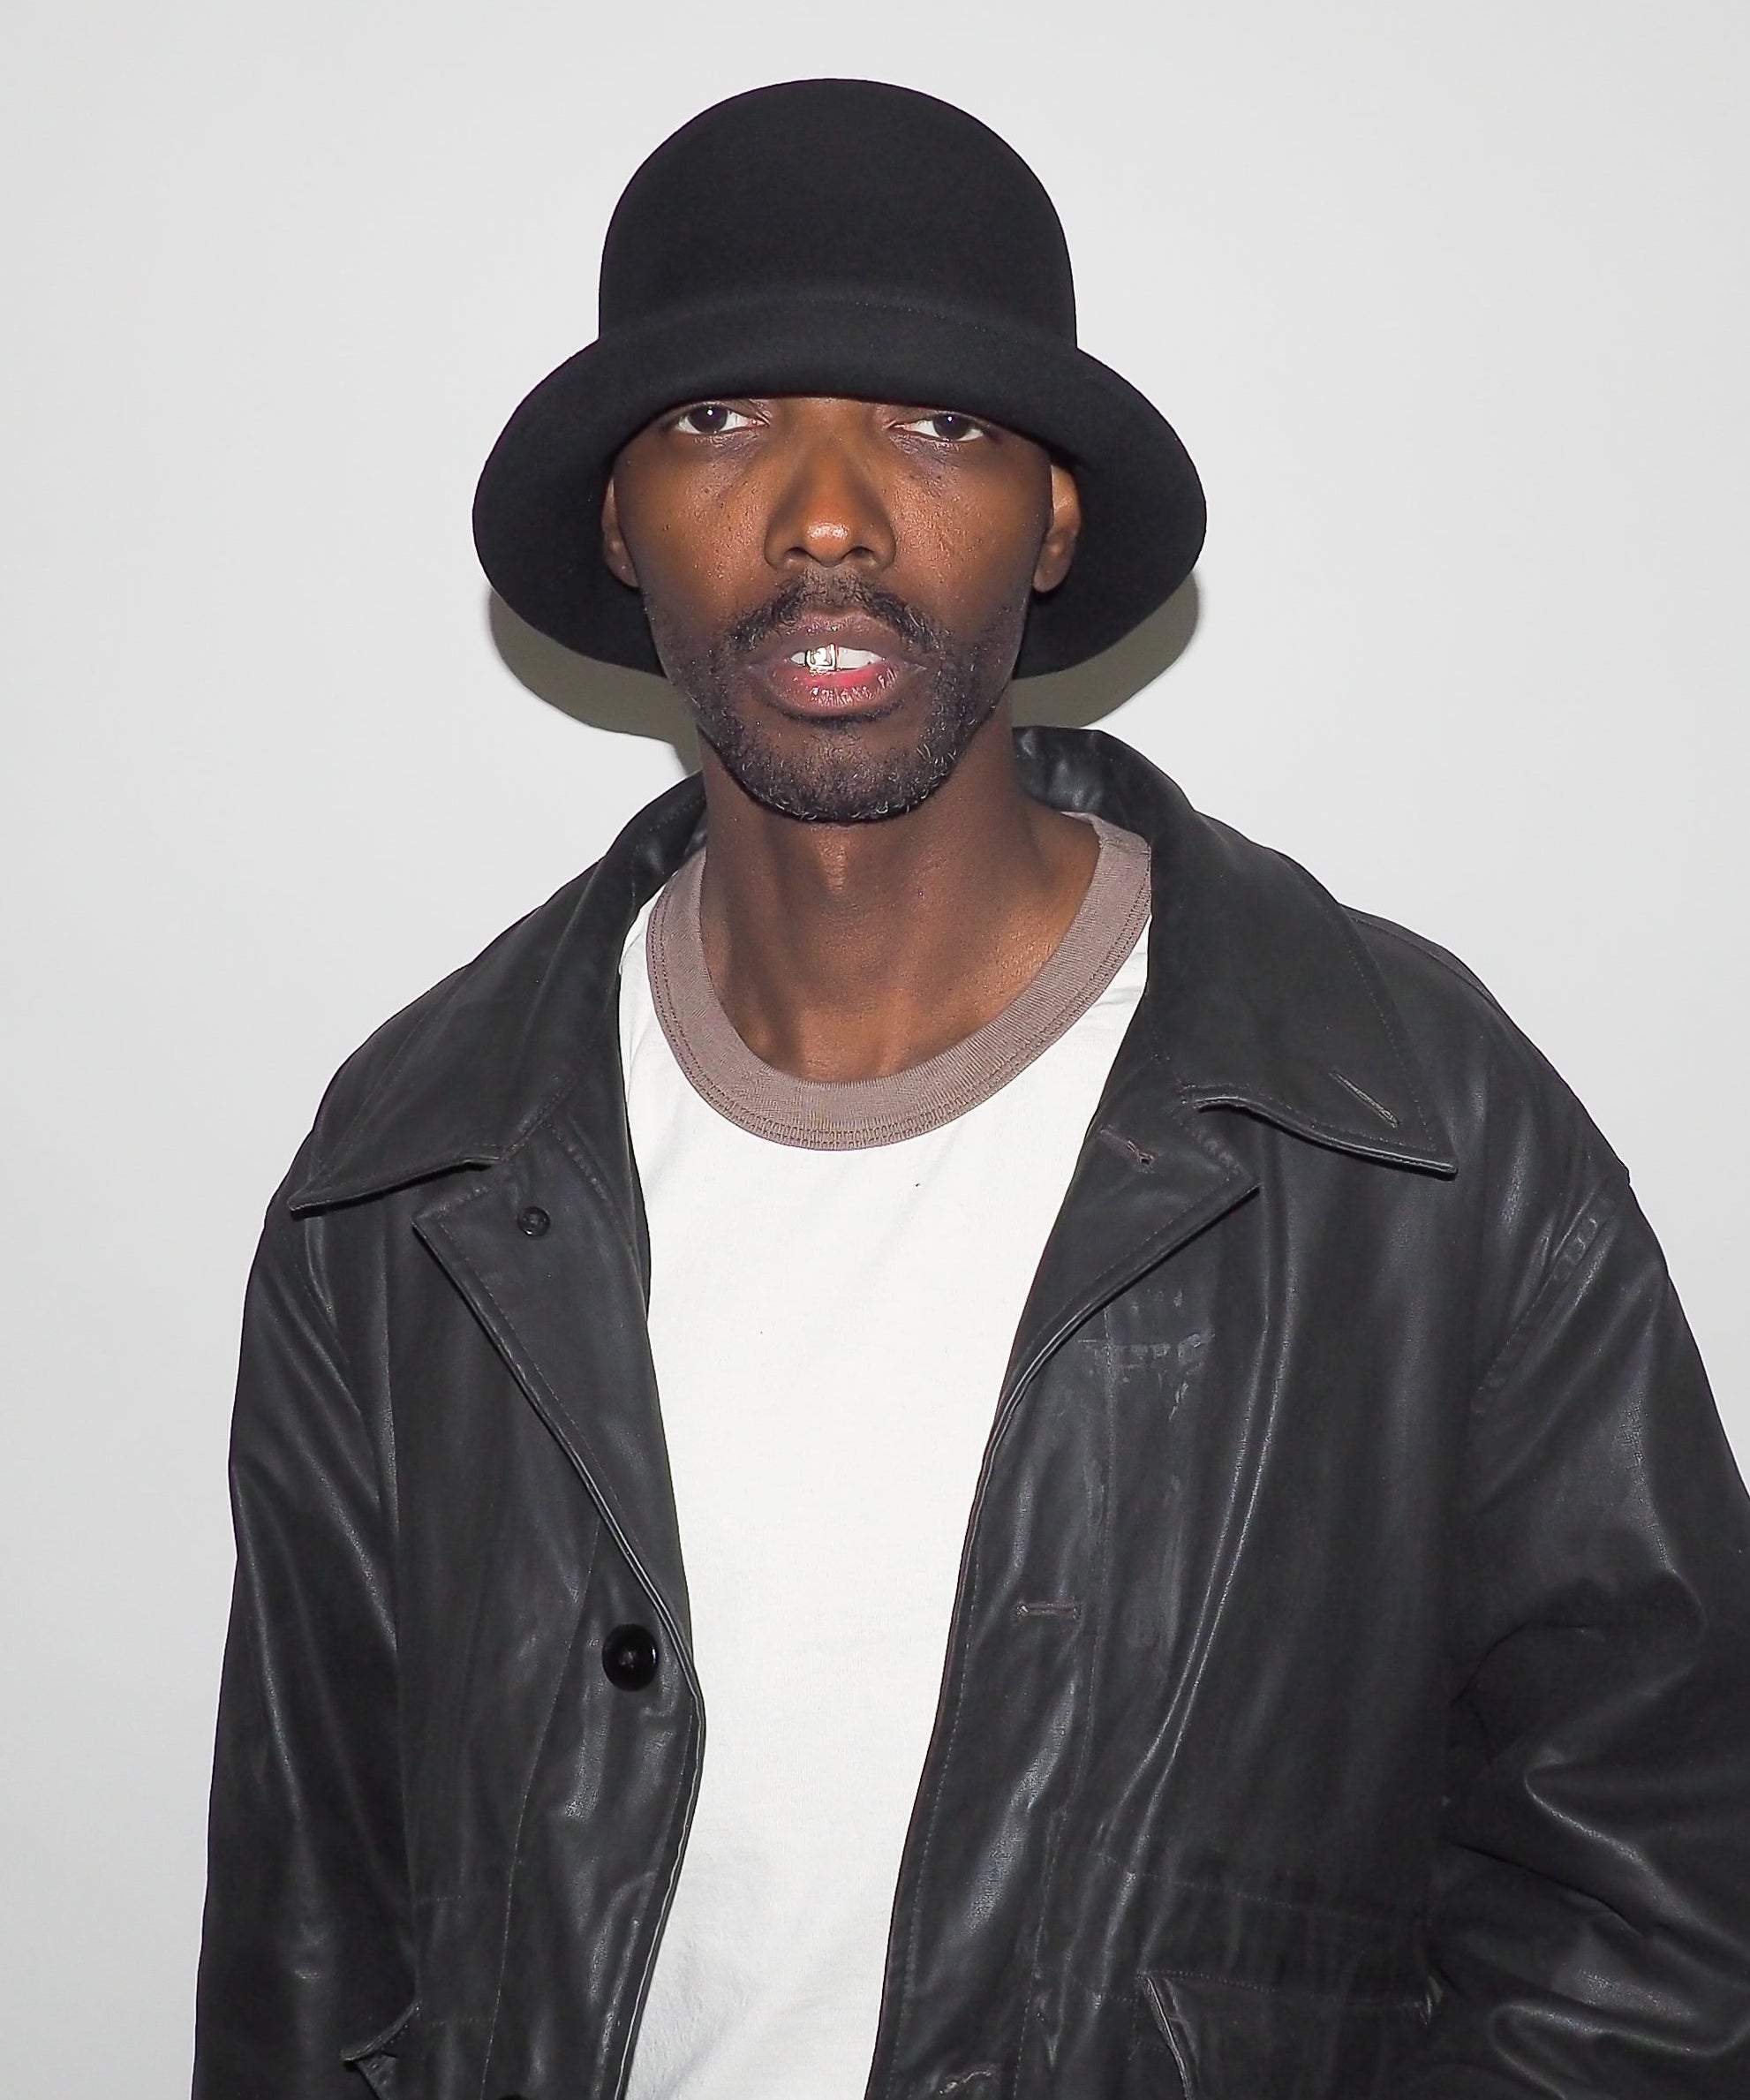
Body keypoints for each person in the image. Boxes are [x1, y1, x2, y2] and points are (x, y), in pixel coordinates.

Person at [192, 79, 1750, 2100]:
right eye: (720, 420)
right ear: (613, 515)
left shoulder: (1413, 1132)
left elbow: (1664, 1903)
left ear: (1054, 516)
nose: (825, 516)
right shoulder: (411, 1177)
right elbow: (319, 1947)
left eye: (935, 425)